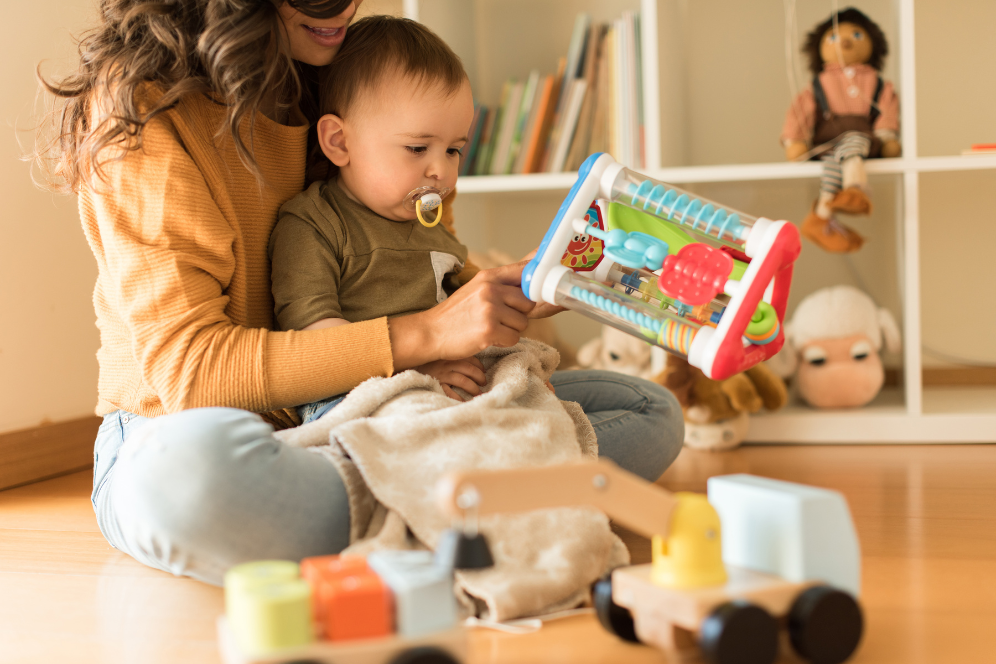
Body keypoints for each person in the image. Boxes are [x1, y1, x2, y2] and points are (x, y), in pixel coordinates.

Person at [36, 0, 683, 586]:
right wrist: (426, 336)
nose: (343, 9)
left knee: (651, 414)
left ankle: (425, 515)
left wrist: (522, 291)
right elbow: (190, 373)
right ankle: (479, 505)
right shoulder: (144, 111)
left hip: (386, 414)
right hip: (204, 430)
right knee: (191, 478)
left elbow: (429, 271)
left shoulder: (351, 71)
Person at [270, 16, 488, 414]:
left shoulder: (430, 222)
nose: (441, 171)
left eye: (454, 150)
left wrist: (530, 289)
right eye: (418, 149)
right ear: (339, 142)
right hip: (360, 396)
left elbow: (476, 303)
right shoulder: (314, 223)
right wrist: (420, 365)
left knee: (631, 401)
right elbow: (313, 338)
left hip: (444, 389)